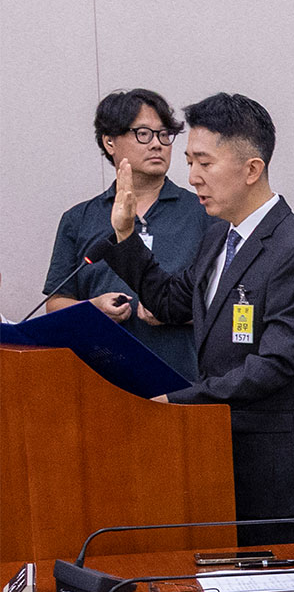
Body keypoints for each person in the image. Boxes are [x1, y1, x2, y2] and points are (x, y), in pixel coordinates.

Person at [100, 92, 294, 547]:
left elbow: (274, 366)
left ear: (251, 169)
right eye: (190, 162)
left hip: (271, 469)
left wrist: (178, 400)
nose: (192, 177)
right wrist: (125, 235)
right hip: (213, 454)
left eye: (204, 163)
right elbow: (169, 302)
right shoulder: (218, 236)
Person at [44, 89, 215, 381]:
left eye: (164, 135)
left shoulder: (204, 213)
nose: (157, 144)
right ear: (109, 142)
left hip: (182, 382)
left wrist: (174, 309)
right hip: (99, 381)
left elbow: (229, 301)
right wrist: (93, 310)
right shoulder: (79, 219)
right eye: (143, 134)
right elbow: (55, 304)